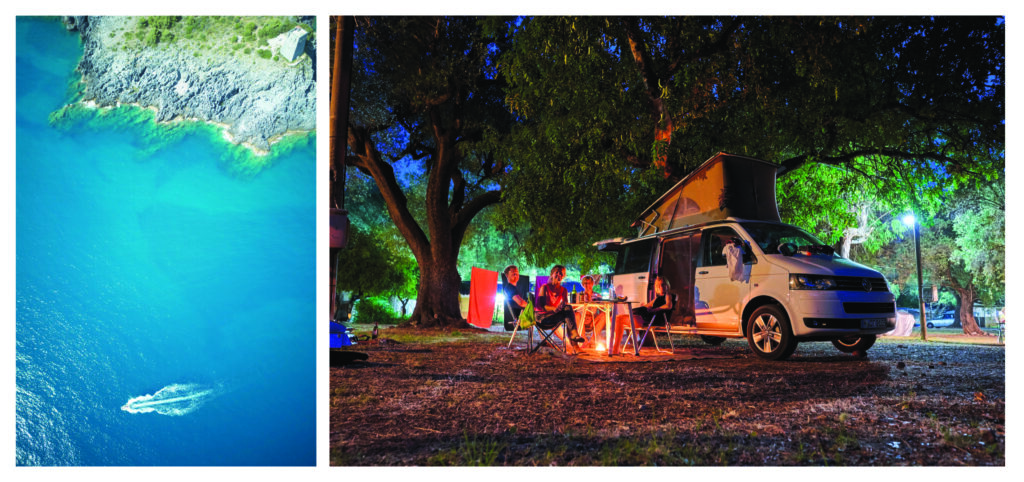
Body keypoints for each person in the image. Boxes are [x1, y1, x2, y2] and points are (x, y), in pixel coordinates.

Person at [535, 265, 586, 345]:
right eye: (557, 272)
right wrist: (555, 308)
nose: (559, 275)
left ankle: (574, 337)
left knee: (569, 311)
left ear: (564, 276)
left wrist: (562, 306)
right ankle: (574, 339)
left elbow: (566, 306)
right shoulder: (544, 288)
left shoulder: (564, 290)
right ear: (552, 273)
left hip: (553, 316)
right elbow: (543, 307)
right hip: (541, 318)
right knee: (568, 315)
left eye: (561, 273)